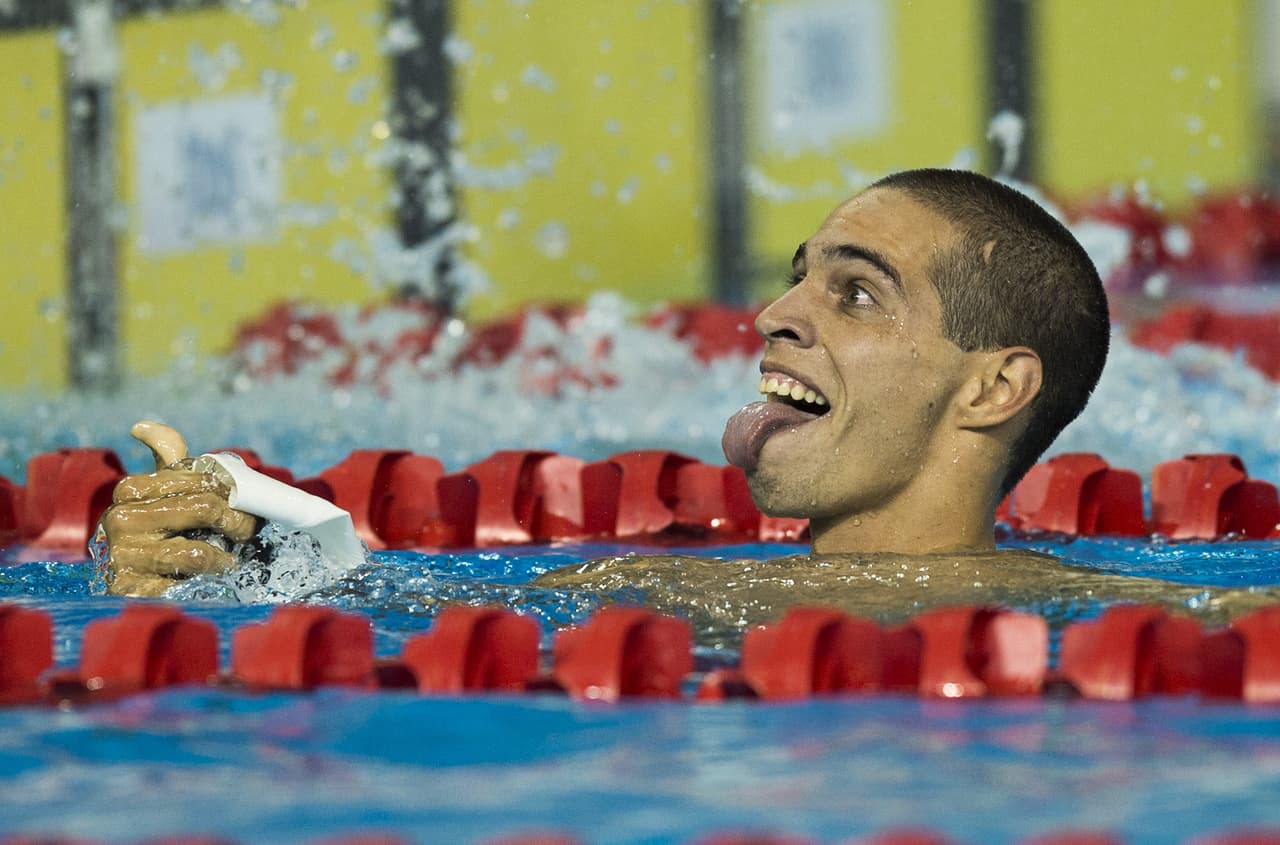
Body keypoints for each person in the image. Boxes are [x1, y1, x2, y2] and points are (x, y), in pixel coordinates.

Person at [107, 169, 1255, 626]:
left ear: (994, 386)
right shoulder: (647, 581)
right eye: (798, 272)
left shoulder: (1132, 612)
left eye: (856, 294)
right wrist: (238, 558)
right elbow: (394, 602)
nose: (773, 315)